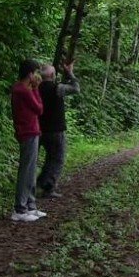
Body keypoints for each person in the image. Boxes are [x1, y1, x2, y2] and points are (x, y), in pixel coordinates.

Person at [9, 59, 47, 222]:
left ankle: (30, 205)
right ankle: (20, 208)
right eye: (36, 72)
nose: (37, 76)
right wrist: (36, 89)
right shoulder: (23, 90)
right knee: (26, 171)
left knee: (31, 171)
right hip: (28, 132)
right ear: (30, 74)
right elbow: (39, 108)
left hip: (31, 131)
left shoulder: (22, 89)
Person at [37, 61, 80, 198]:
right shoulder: (58, 88)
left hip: (38, 129)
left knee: (49, 158)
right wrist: (70, 73)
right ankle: (48, 187)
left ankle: (40, 182)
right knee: (57, 159)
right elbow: (75, 88)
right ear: (52, 74)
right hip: (55, 130)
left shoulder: (35, 88)